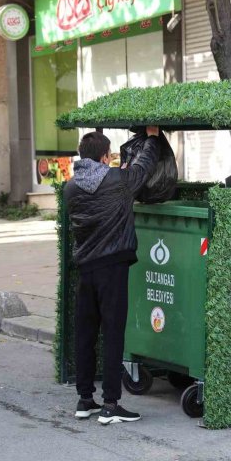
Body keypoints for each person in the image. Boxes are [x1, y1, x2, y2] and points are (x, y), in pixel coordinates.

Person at [64, 127, 160, 425]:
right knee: (113, 332)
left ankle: (84, 400)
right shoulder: (117, 180)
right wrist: (153, 138)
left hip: (86, 267)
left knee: (86, 333)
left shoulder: (70, 186)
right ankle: (110, 404)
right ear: (106, 156)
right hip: (113, 266)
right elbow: (143, 169)